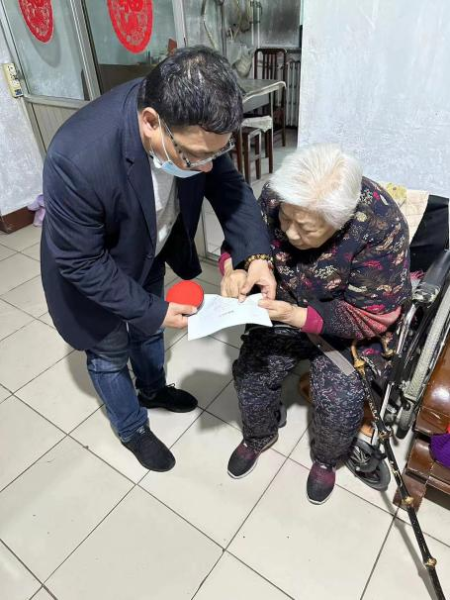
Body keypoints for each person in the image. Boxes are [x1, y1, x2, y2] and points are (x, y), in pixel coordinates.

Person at [41, 46, 275, 472]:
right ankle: (131, 427)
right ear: (151, 122)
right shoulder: (76, 158)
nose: (206, 168)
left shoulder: (190, 123)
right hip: (95, 270)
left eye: (215, 154)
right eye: (193, 156)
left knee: (149, 328)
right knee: (109, 352)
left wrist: (256, 256)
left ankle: (152, 388)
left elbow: (230, 188)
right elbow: (82, 262)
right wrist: (153, 310)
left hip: (148, 247)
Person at [220, 144, 411, 504]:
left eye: (305, 228)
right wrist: (234, 269)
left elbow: (374, 315)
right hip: (280, 307)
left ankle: (326, 459)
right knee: (251, 374)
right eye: (286, 219)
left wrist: (297, 316)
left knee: (340, 399)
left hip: (345, 329)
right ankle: (258, 435)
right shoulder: (277, 196)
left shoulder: (381, 226)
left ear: (340, 222)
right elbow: (241, 240)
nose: (291, 234)